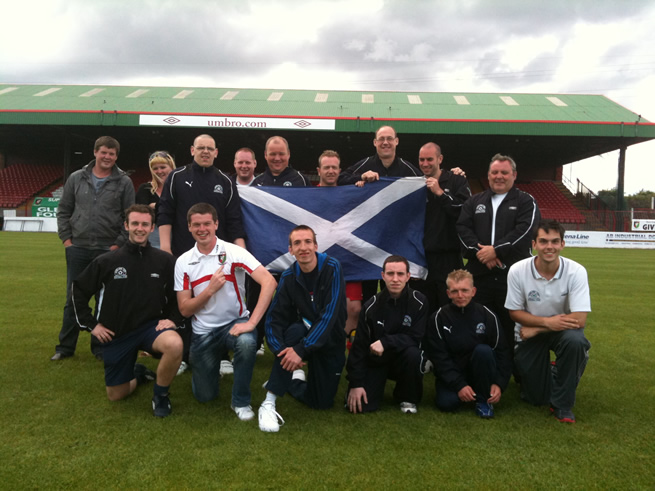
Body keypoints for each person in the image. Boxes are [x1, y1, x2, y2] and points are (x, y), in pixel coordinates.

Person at [71, 204, 183, 417]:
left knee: (174, 343)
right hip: (117, 333)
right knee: (116, 395)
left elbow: (180, 294)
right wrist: (92, 325)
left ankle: (160, 396)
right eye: (135, 224)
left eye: (145, 224)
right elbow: (78, 290)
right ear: (126, 226)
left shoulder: (165, 261)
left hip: (151, 328)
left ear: (152, 228)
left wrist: (173, 320)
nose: (139, 228)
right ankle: (139, 375)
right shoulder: (108, 261)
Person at [175, 203, 277, 421]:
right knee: (205, 396)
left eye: (207, 224)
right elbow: (184, 309)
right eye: (197, 225)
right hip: (202, 332)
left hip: (235, 323)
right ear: (189, 228)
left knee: (248, 343)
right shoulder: (183, 262)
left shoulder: (233, 252)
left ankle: (240, 401)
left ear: (216, 224)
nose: (202, 229)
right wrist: (209, 291)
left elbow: (268, 282)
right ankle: (211, 370)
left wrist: (252, 323)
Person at [52, 136, 135, 361]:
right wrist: (67, 240)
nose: (107, 157)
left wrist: (118, 244)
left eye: (111, 153)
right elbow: (64, 210)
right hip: (78, 247)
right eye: (103, 152)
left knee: (104, 301)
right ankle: (65, 347)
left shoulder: (124, 182)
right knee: (73, 299)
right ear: (95, 152)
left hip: (108, 250)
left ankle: (100, 347)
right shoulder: (76, 178)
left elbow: (130, 216)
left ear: (116, 156)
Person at [258, 225, 347, 432]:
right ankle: (269, 402)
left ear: (316, 246)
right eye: (297, 243)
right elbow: (274, 319)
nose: (303, 247)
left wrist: (301, 350)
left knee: (321, 403)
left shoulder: (333, 268)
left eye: (308, 242)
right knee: (294, 332)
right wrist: (281, 351)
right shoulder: (288, 277)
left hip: (330, 339)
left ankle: (292, 380)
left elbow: (329, 316)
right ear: (290, 250)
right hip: (302, 335)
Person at [505, 220, 591, 423]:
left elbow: (579, 319)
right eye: (543, 241)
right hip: (529, 334)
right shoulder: (518, 270)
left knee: (576, 341)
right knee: (536, 398)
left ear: (562, 244)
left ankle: (563, 406)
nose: (549, 247)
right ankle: (557, 371)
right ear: (534, 244)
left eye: (554, 241)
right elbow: (514, 313)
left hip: (556, 331)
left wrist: (539, 327)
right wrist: (546, 325)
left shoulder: (576, 271)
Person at [456, 153, 540, 355]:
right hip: (480, 276)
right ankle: (482, 369)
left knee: (512, 325)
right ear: (488, 175)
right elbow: (462, 229)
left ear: (514, 175)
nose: (499, 176)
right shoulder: (474, 201)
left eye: (504, 172)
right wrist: (481, 253)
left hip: (513, 277)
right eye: (495, 172)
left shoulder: (526, 201)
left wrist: (495, 250)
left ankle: (516, 371)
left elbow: (525, 230)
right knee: (479, 324)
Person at [346, 255, 428, 414]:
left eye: (400, 274)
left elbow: (416, 337)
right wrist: (356, 383)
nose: (395, 279)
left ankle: (407, 396)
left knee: (414, 354)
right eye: (390, 274)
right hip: (377, 361)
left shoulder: (420, 301)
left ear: (408, 276)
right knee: (362, 407)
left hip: (404, 360)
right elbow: (360, 346)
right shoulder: (371, 306)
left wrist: (385, 342)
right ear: (382, 276)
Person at [426, 270, 511, 419]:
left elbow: (502, 351)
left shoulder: (487, 315)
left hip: (481, 372)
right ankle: (466, 392)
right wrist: (459, 385)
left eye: (465, 290)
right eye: (455, 291)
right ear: (448, 293)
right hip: (454, 374)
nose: (460, 295)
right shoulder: (438, 318)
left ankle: (483, 400)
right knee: (447, 404)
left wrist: (499, 383)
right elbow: (439, 357)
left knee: (483, 351)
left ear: (473, 291)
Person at [158, 134, 246, 257]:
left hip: (218, 256)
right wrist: (165, 248)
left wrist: (242, 253)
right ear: (192, 150)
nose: (205, 152)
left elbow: (234, 222)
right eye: (201, 148)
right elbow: (165, 213)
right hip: (183, 253)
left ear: (216, 153)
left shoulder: (226, 181)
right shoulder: (176, 176)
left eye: (210, 149)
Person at [414, 142, 471, 312]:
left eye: (429, 159)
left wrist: (441, 193)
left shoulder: (456, 180)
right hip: (421, 259)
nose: (425, 164)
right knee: (423, 308)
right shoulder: (413, 184)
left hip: (449, 258)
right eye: (421, 160)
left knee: (450, 307)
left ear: (440, 159)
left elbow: (465, 213)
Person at [316, 150, 362, 341]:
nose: (330, 171)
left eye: (334, 167)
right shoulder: (307, 194)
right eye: (326, 167)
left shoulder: (351, 192)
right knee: (320, 307)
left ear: (339, 170)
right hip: (319, 261)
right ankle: (323, 349)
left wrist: (363, 186)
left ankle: (347, 352)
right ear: (319, 170)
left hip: (348, 258)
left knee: (354, 308)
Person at [337, 126, 421, 186]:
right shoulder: (365, 164)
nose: (385, 142)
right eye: (381, 139)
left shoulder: (407, 169)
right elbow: (340, 179)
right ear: (375, 142)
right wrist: (361, 177)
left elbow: (424, 183)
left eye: (389, 138)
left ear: (396, 141)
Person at [135, 151, 176, 248]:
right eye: (155, 168)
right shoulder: (145, 189)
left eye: (163, 167)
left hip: (176, 235)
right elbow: (143, 214)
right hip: (152, 238)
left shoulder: (179, 188)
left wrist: (155, 206)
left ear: (171, 167)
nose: (159, 171)